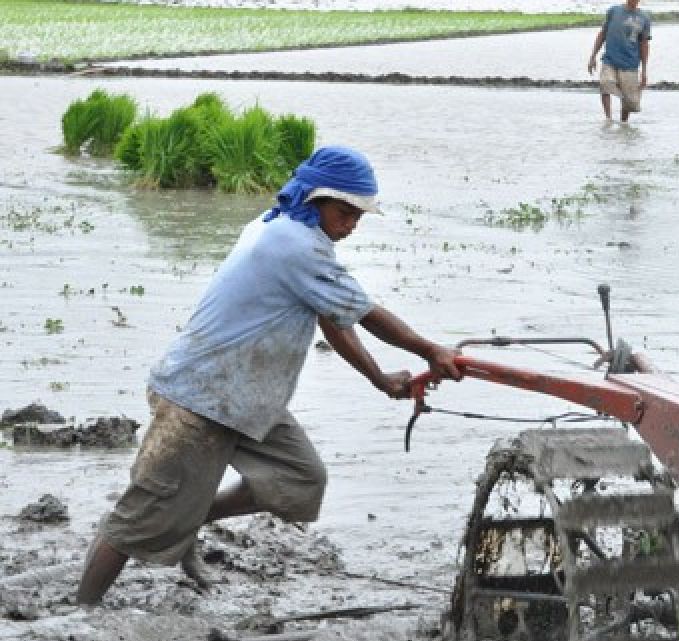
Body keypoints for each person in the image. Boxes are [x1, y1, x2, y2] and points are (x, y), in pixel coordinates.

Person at [76, 146, 461, 605]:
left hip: (249, 397)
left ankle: (190, 519)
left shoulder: (282, 229)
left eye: (359, 216)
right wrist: (430, 350)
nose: (352, 225)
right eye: (345, 212)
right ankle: (83, 609)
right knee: (141, 514)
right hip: (199, 397)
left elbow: (332, 318)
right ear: (314, 199)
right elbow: (367, 315)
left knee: (301, 481)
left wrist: (378, 378)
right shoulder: (292, 245)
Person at [587, 0, 652, 122]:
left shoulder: (644, 18)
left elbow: (644, 44)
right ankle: (608, 119)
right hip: (610, 59)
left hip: (630, 63)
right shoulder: (614, 11)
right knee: (605, 83)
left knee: (630, 103)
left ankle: (623, 123)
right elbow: (603, 33)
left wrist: (644, 71)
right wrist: (593, 56)